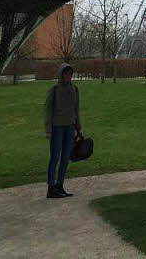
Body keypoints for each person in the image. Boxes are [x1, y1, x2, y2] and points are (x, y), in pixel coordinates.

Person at [44, 63, 81, 199]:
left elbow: (76, 109)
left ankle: (60, 185)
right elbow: (48, 110)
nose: (67, 76)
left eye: (70, 74)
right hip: (57, 127)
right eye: (65, 73)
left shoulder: (74, 89)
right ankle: (51, 186)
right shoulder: (54, 89)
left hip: (70, 127)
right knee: (55, 157)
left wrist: (78, 126)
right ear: (61, 74)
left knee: (65, 158)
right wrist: (48, 129)